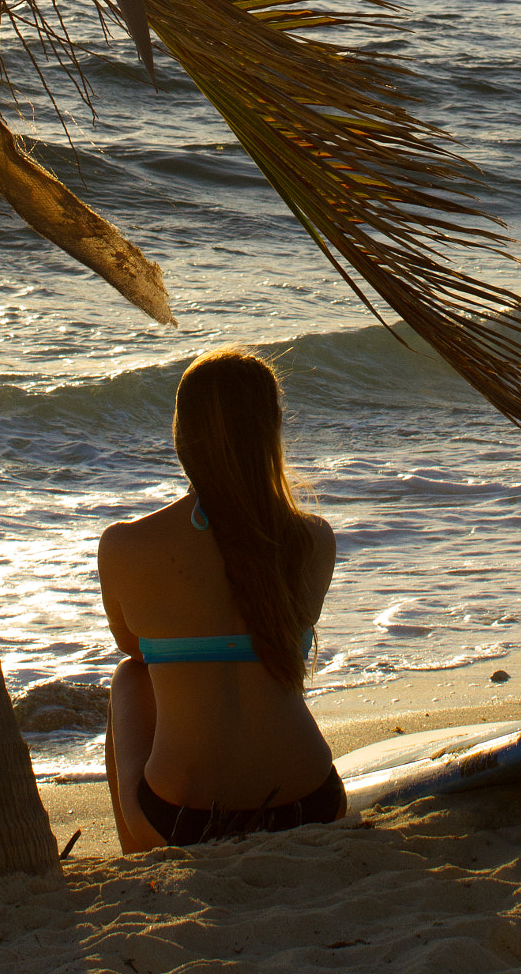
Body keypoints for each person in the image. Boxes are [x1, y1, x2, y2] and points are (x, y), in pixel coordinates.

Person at [99, 345, 345, 848]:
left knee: (130, 678)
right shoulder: (312, 539)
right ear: (272, 429)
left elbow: (135, 649)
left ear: (181, 436)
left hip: (183, 819)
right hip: (312, 803)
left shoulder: (126, 545)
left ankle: (139, 861)